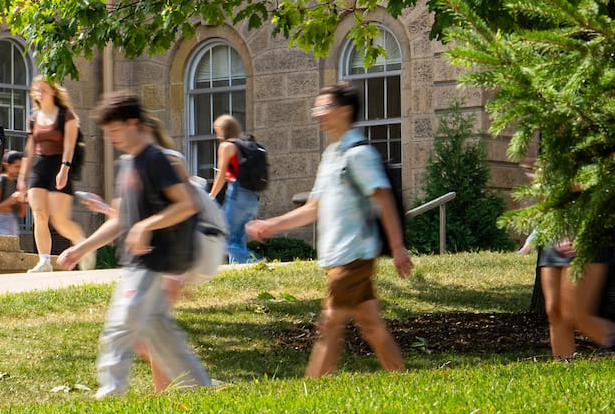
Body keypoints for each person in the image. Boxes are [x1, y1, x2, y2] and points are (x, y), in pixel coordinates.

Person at [246, 83, 414, 378]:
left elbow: (383, 198)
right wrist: (271, 225)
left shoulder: (357, 156)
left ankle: (311, 393)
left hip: (355, 255)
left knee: (329, 325)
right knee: (371, 326)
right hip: (341, 256)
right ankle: (401, 379)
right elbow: (314, 208)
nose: (317, 114)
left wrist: (398, 247)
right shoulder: (332, 155)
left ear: (345, 111)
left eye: (324, 107)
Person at [57, 93, 212, 397]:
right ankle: (198, 389)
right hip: (138, 262)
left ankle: (110, 393)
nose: (111, 138)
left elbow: (187, 204)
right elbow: (120, 219)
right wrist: (82, 248)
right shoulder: (128, 164)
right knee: (159, 333)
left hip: (153, 260)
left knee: (120, 326)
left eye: (115, 130)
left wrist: (146, 225)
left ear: (133, 123)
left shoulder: (156, 159)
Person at [24, 75, 86, 271]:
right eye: (36, 90)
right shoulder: (33, 118)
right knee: (39, 214)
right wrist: (22, 178)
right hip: (39, 167)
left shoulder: (66, 116)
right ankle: (44, 261)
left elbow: (69, 145)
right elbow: (30, 150)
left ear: (53, 91)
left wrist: (64, 169)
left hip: (59, 165)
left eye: (42, 89)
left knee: (59, 220)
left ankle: (84, 245)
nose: (38, 94)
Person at [210, 115, 259, 264]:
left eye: (217, 130)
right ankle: (238, 267)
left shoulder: (226, 146)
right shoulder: (245, 145)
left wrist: (211, 196)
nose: (217, 134)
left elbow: (222, 175)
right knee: (238, 237)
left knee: (225, 237)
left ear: (223, 130)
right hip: (252, 196)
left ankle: (257, 262)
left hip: (237, 194)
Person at [0, 150, 28, 239]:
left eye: (21, 167)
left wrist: (22, 199)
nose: (19, 170)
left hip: (12, 222)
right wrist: (11, 200)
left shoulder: (17, 183)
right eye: (16, 166)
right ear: (6, 165)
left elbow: (22, 213)